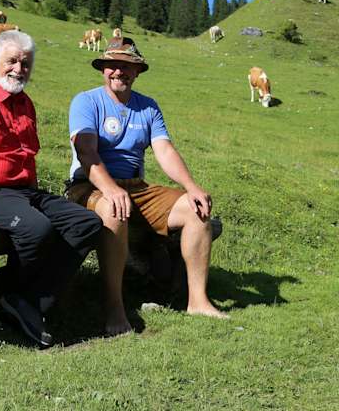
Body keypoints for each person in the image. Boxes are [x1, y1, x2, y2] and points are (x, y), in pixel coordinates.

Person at [0, 30, 102, 347]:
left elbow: (26, 159)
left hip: (22, 193)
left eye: (25, 63)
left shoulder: (25, 104)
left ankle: (25, 300)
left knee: (86, 222)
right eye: (12, 61)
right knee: (35, 228)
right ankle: (11, 295)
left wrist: (34, 197)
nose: (18, 69)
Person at [66, 37, 227, 335]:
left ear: (137, 71)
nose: (120, 72)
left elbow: (164, 150)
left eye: (127, 66)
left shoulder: (148, 108)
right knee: (114, 210)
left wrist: (191, 186)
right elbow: (86, 152)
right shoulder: (86, 101)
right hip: (89, 185)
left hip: (136, 187)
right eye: (113, 65)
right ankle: (114, 307)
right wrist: (111, 189)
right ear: (103, 69)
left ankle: (198, 301)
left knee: (197, 211)